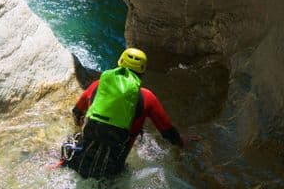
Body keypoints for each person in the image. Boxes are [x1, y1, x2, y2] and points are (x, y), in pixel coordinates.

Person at [61, 48, 191, 178]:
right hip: (114, 165)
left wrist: (78, 126)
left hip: (82, 155)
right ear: (143, 72)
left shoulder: (98, 84)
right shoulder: (148, 98)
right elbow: (168, 132)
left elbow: (76, 112)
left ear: (120, 64)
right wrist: (181, 142)